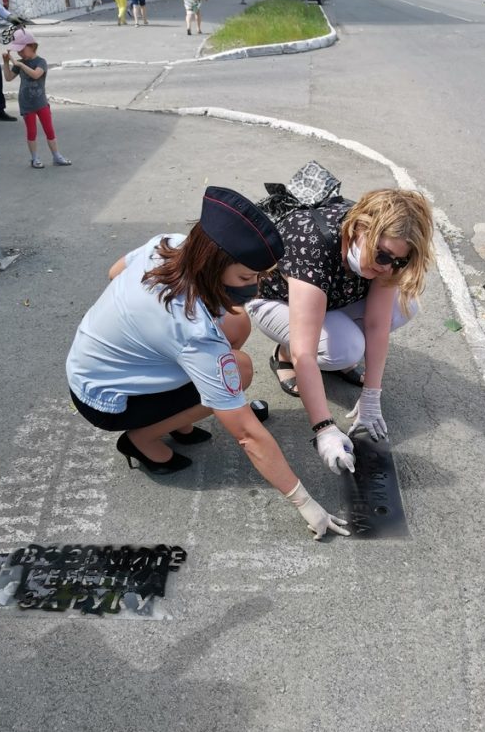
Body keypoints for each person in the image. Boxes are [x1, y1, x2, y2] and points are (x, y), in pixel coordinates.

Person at [66, 186, 349, 541]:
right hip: (106, 401)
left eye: (261, 276)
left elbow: (114, 272)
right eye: (247, 278)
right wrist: (306, 503)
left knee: (236, 320)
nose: (258, 287)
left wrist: (138, 328)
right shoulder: (195, 333)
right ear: (212, 263)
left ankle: (179, 423)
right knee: (240, 370)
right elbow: (247, 435)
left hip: (91, 364)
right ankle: (142, 438)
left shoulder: (169, 244)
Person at [247, 184, 433, 476]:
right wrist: (325, 429)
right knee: (342, 350)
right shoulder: (313, 244)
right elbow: (305, 354)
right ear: (360, 227)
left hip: (332, 294)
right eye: (383, 256)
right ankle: (282, 355)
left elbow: (377, 323)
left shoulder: (383, 253)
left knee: (403, 306)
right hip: (277, 301)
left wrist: (372, 396)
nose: (388, 267)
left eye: (399, 260)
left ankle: (335, 353)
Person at [1, 27, 70, 169]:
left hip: (41, 103)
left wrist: (20, 64)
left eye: (22, 49)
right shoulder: (20, 63)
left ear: (32, 46)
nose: (20, 53)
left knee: (49, 130)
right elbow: (8, 78)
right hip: (27, 104)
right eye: (18, 51)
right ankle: (34, 158)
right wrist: (6, 63)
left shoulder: (41, 62)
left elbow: (36, 75)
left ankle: (56, 155)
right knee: (31, 132)